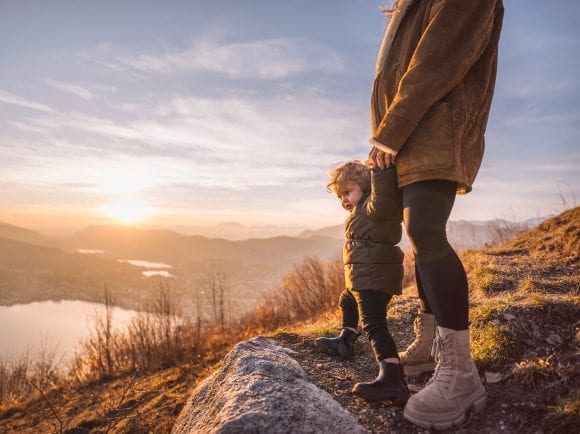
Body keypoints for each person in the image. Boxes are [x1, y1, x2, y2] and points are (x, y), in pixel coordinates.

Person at [367, 0, 504, 429]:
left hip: (435, 128)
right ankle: (429, 344)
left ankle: (461, 375)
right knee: (417, 234)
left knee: (426, 230)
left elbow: (435, 62)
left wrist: (389, 132)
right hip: (410, 133)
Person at [317, 160, 408, 403]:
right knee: (346, 300)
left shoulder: (375, 207)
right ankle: (345, 341)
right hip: (365, 276)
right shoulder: (362, 210)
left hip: (374, 277)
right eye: (340, 196)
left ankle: (393, 378)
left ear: (366, 187)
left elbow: (383, 195)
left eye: (348, 192)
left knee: (374, 325)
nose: (344, 200)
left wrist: (379, 171)